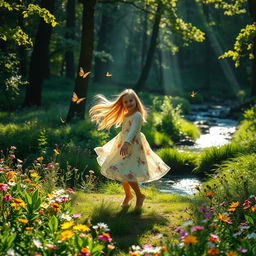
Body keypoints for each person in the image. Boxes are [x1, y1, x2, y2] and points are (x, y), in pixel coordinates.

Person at [89, 89, 170, 209]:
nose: (129, 103)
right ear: (123, 104)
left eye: (131, 101)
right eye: (125, 102)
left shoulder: (137, 115)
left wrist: (127, 143)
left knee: (128, 172)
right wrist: (123, 143)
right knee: (122, 171)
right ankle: (128, 195)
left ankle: (139, 195)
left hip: (133, 145)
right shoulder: (126, 114)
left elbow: (132, 131)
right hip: (123, 144)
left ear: (136, 101)